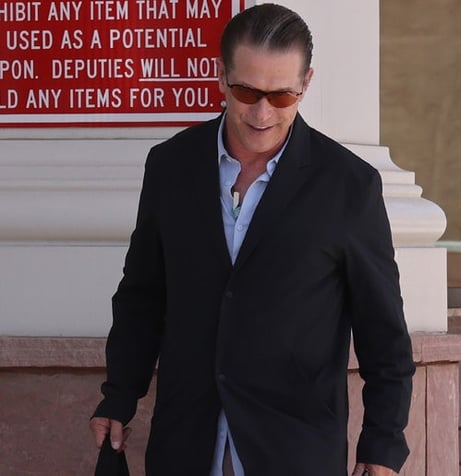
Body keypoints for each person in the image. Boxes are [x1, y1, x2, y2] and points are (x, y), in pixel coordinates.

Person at [88, 4, 415, 475]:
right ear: (221, 77)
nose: (262, 113)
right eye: (246, 91)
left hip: (295, 450)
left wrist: (382, 446)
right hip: (186, 444)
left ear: (306, 84)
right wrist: (118, 396)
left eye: (281, 96)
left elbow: (383, 333)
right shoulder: (171, 166)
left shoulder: (348, 185)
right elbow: (143, 296)